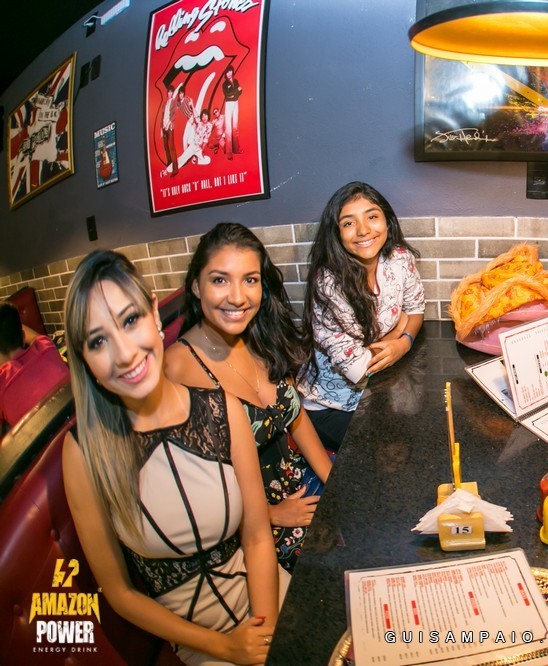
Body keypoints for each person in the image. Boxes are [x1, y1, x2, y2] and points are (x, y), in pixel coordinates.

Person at [61, 250, 284, 665]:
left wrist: (265, 633)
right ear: (85, 360)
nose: (125, 353)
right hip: (202, 644)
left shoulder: (221, 409)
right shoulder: (84, 451)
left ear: (153, 313)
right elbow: (120, 593)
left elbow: (256, 537)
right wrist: (226, 648)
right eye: (98, 341)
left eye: (130, 320)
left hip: (268, 600)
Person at [166, 223, 334, 572]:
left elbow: (296, 418)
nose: (238, 297)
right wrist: (269, 514)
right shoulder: (175, 369)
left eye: (250, 280)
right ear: (196, 285)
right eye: (220, 280)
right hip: (245, 524)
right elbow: (182, 485)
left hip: (297, 481)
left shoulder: (260, 334)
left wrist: (332, 481)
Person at [299, 182, 425, 452]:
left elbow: (415, 310)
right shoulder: (328, 285)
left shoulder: (400, 259)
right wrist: (398, 330)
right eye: (348, 223)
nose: (363, 230)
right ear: (336, 233)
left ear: (387, 221)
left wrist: (403, 341)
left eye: (372, 216)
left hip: (378, 391)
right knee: (376, 454)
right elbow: (359, 368)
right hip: (333, 406)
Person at [0, 302, 69, 432]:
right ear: (23, 336)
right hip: (78, 423)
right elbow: (32, 336)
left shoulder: (2, 383)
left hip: (45, 442)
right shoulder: (46, 346)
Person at [222, 66, 242, 158]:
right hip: (228, 104)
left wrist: (234, 94)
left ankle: (236, 149)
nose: (229, 74)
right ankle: (229, 151)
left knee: (235, 127)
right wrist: (236, 91)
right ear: (225, 74)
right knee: (228, 128)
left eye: (230, 71)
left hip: (236, 103)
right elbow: (227, 94)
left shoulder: (236, 81)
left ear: (232, 72)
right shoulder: (224, 84)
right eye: (227, 72)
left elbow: (240, 92)